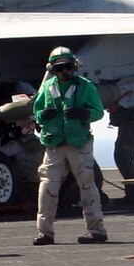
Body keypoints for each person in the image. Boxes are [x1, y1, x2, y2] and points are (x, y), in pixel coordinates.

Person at [32, 47, 108, 245]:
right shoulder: (47, 87)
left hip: (78, 143)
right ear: (53, 69)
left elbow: (98, 111)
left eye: (68, 67)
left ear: (75, 67)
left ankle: (97, 230)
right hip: (54, 144)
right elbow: (37, 109)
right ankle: (45, 232)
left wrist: (84, 114)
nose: (65, 71)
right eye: (60, 68)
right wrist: (42, 116)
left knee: (87, 186)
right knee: (47, 187)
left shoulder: (85, 86)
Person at [109, 99, 134, 204]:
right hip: (132, 121)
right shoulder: (129, 86)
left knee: (123, 157)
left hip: (131, 121)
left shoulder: (125, 87)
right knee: (125, 157)